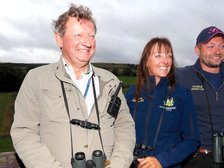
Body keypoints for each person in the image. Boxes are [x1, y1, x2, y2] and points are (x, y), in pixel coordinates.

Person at [10, 4, 135, 168]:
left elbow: (125, 126)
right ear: (59, 39)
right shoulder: (36, 79)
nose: (87, 42)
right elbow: (24, 132)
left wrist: (118, 164)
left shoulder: (110, 81)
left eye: (91, 36)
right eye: (78, 35)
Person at [125, 37, 200, 168]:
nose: (165, 61)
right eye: (158, 55)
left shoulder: (182, 95)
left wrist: (162, 160)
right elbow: (121, 131)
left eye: (169, 56)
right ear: (146, 61)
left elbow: (192, 140)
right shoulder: (132, 93)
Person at [176, 26, 224, 168]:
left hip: (223, 156)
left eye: (222, 46)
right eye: (211, 46)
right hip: (193, 158)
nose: (217, 51)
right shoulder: (182, 76)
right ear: (197, 50)